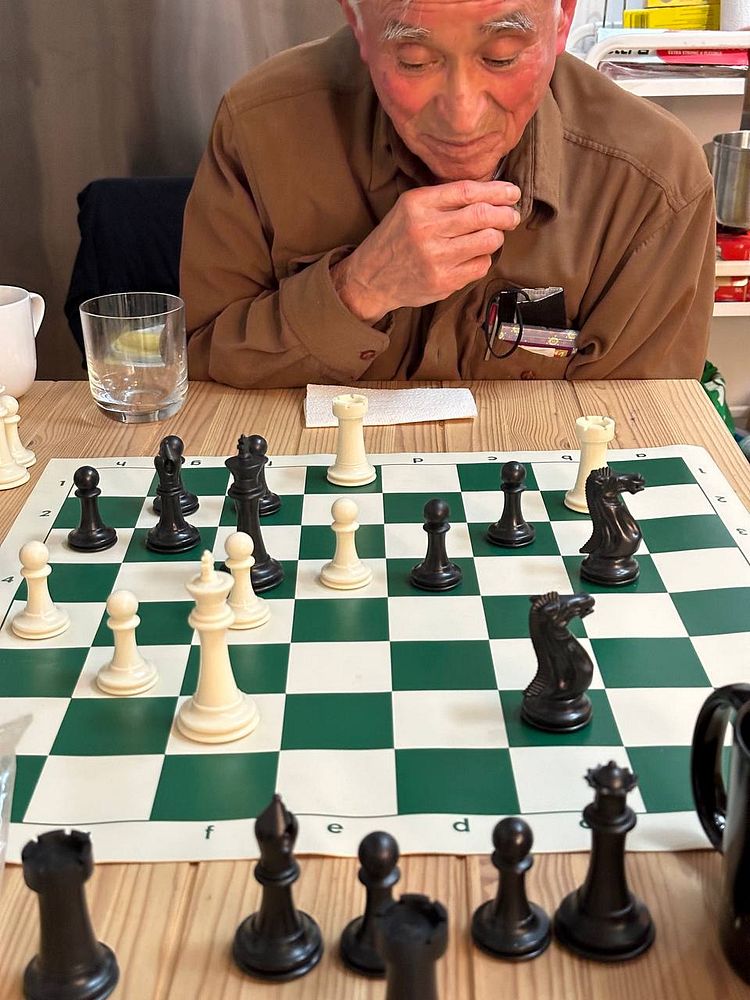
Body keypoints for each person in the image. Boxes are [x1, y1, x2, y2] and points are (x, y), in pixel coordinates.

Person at [181, 0, 716, 387]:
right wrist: (358, 288)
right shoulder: (260, 128)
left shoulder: (655, 184)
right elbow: (197, 363)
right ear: (357, 22)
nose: (462, 118)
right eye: (414, 61)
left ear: (562, 19)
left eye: (502, 57)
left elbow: (639, 437)